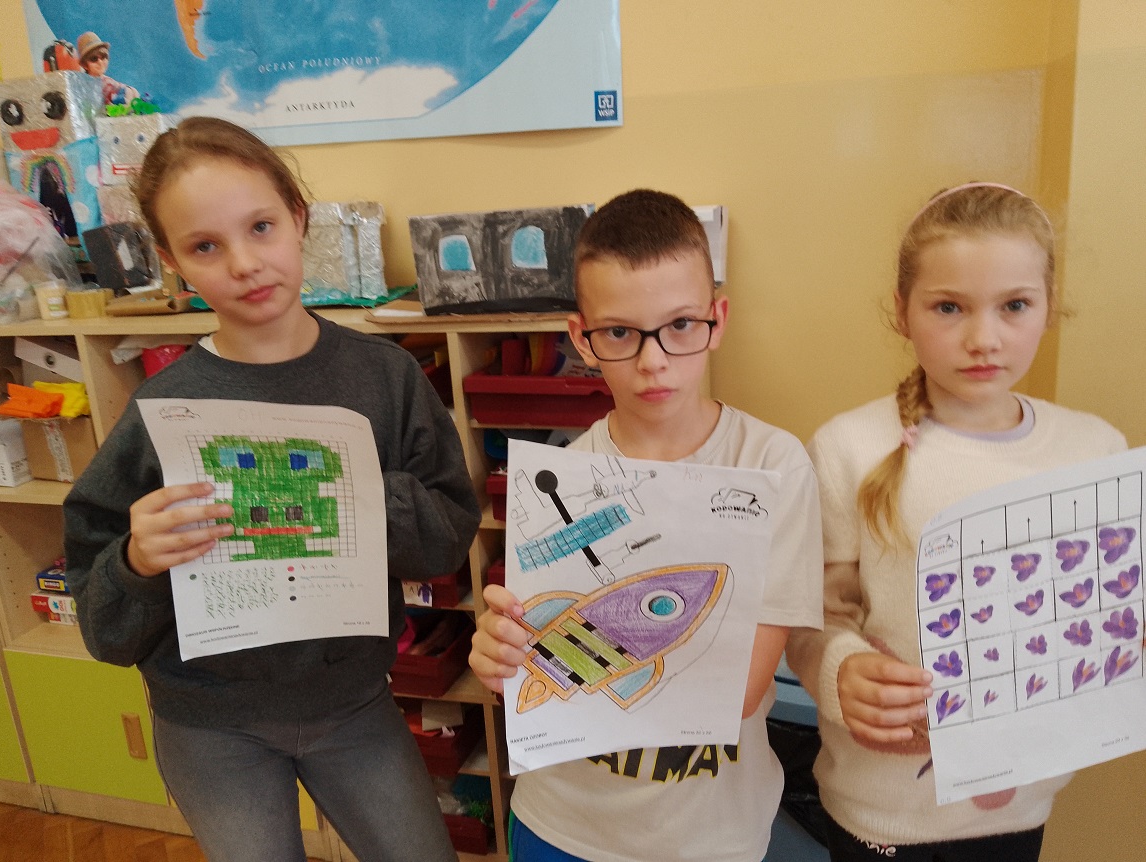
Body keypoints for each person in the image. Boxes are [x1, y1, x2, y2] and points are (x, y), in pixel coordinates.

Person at [63, 116, 480, 862]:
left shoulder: (384, 378)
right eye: (205, 247)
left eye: (260, 227)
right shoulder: (163, 410)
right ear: (171, 261)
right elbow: (104, 628)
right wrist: (136, 560)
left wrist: (354, 493)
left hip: (353, 702)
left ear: (298, 216)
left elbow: (447, 537)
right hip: (209, 721)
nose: (245, 264)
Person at [469, 189, 825, 861]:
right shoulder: (558, 482)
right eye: (620, 332)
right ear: (581, 337)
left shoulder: (772, 465)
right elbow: (532, 644)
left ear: (717, 319)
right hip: (561, 822)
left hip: (706, 838)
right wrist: (504, 652)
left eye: (680, 325)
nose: (653, 360)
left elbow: (739, 692)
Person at [784, 182, 1128, 862]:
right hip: (881, 812)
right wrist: (840, 669)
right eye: (949, 307)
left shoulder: (1096, 449)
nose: (983, 339)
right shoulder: (848, 448)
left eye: (1015, 306)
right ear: (902, 311)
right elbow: (807, 618)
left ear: (1049, 305)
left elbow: (1111, 609)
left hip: (1021, 803)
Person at [76, 31, 139, 106]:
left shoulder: (107, 81)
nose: (100, 62)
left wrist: (130, 92)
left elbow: (129, 91)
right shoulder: (84, 86)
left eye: (103, 56)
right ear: (85, 65)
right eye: (93, 59)